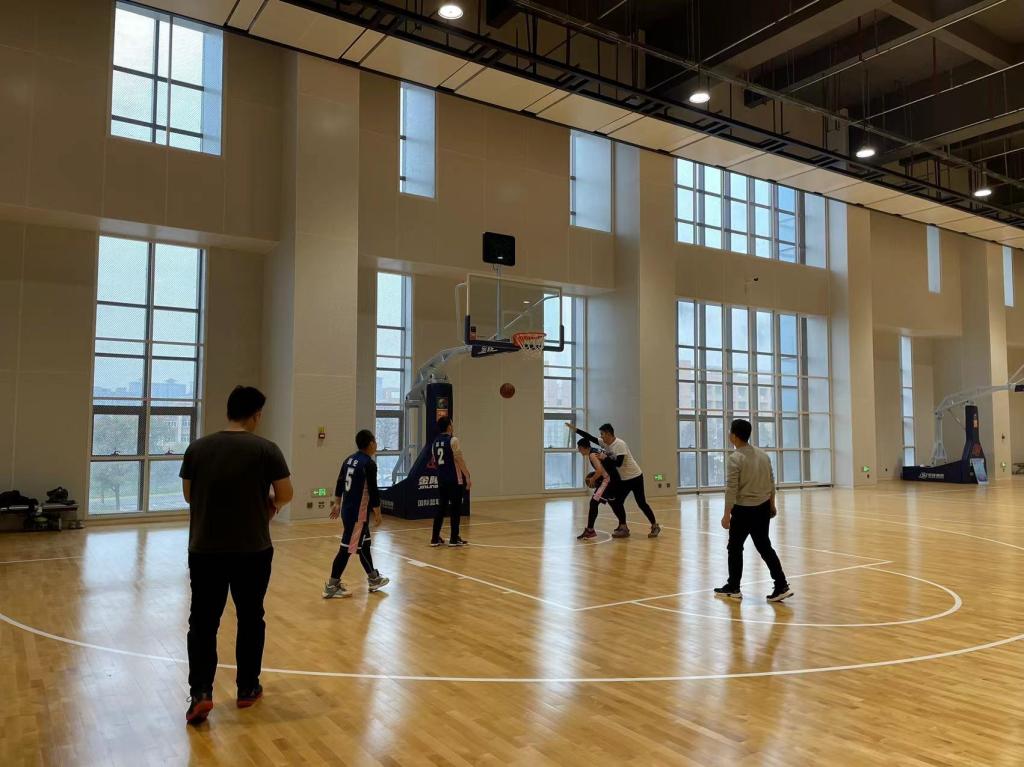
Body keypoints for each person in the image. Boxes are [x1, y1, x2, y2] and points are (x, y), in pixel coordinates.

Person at [179, 385, 293, 725]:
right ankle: (247, 687)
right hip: (252, 550)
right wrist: (270, 506)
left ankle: (201, 692)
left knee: (203, 622)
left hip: (205, 550)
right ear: (256, 415)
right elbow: (286, 493)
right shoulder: (266, 449)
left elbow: (189, 495)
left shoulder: (197, 448)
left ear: (229, 411)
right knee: (250, 617)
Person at [714, 419, 793, 603]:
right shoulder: (763, 455)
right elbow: (771, 482)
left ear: (734, 436)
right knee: (765, 547)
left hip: (743, 511)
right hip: (763, 508)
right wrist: (772, 504)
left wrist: (726, 515)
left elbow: (731, 489)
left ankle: (734, 587)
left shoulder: (735, 458)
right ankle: (781, 585)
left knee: (735, 547)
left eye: (730, 432)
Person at [323, 430, 390, 599]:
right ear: (370, 443)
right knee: (347, 549)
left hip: (348, 510)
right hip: (357, 515)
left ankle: (373, 578)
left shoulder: (349, 460)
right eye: (375, 441)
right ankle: (332, 585)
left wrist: (337, 502)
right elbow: (373, 491)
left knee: (364, 545)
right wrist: (378, 512)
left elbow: (340, 481)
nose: (376, 444)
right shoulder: (368, 464)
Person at [568, 422, 661, 538]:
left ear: (608, 434)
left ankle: (655, 525)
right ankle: (623, 527)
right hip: (623, 479)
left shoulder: (620, 444)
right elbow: (590, 437)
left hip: (635, 477)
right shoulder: (605, 443)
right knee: (616, 502)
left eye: (602, 434)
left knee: (641, 503)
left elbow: (619, 463)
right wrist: (576, 430)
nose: (600, 437)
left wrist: (605, 458)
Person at [430, 416, 471, 547]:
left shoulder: (434, 442)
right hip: (454, 479)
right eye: (451, 424)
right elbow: (459, 459)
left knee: (441, 508)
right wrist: (467, 476)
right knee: (455, 508)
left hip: (441, 479)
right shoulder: (453, 440)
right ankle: (454, 538)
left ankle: (434, 538)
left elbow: (435, 462)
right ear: (449, 426)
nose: (452, 426)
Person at [576, 438, 629, 540]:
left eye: (579, 449)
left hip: (608, 480)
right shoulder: (597, 450)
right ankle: (623, 526)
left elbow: (599, 471)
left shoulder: (592, 455)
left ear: (582, 448)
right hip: (614, 478)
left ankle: (590, 531)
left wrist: (593, 479)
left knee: (593, 503)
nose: (579, 451)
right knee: (614, 503)